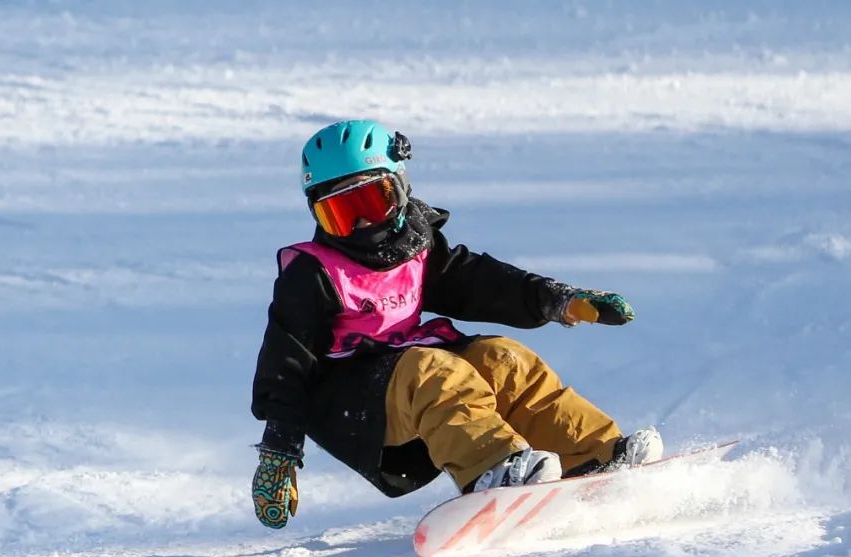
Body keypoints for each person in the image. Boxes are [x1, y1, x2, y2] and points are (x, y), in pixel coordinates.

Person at [249, 119, 663, 529]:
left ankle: (592, 455)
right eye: (340, 214)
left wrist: (558, 301)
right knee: (435, 371)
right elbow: (288, 361)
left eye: (372, 202)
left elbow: (480, 283)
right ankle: (492, 469)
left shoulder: (418, 246)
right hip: (351, 404)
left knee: (502, 358)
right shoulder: (312, 273)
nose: (362, 225)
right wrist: (279, 449)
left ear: (400, 187)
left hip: (408, 375)